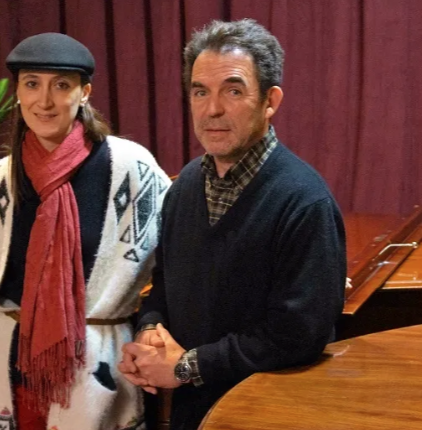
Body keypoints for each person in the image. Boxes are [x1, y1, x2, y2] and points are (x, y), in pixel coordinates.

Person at [117, 19, 347, 429]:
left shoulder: (305, 200)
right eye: (200, 92)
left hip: (272, 415)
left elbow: (298, 335)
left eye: (233, 91)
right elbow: (164, 286)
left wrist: (187, 366)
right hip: (193, 415)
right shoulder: (184, 186)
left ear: (270, 100)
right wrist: (150, 329)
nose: (212, 109)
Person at [0, 33, 170, 430]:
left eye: (61, 85)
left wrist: (153, 330)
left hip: (97, 371)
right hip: (6, 371)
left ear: (84, 93)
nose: (44, 101)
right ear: (18, 92)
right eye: (32, 84)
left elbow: (174, 265)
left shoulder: (132, 170)